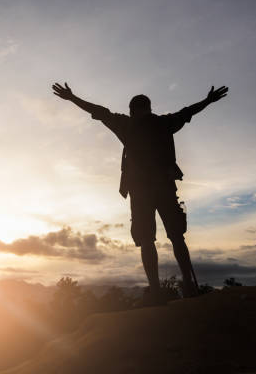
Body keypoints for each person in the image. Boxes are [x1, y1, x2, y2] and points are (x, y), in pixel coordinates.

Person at [52, 82, 228, 301]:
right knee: (176, 237)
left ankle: (155, 291)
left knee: (146, 240)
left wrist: (72, 98)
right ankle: (189, 286)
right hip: (164, 187)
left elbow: (98, 111)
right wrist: (208, 101)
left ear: (131, 110)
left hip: (140, 192)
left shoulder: (126, 125)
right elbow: (187, 112)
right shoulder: (164, 123)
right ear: (149, 108)